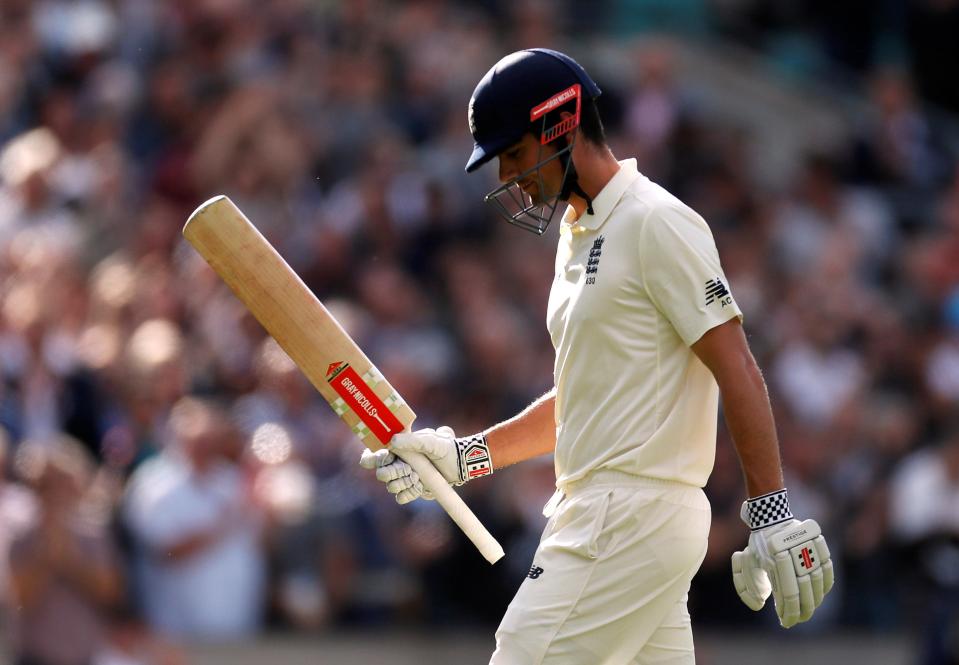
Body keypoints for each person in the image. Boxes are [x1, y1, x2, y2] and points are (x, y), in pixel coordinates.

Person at [360, 48, 834, 664]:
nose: (509, 175)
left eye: (516, 153)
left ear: (561, 124)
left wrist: (770, 510)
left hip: (627, 517)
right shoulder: (577, 237)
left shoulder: (656, 221)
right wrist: (467, 455)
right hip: (611, 514)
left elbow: (735, 365)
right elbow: (587, 397)